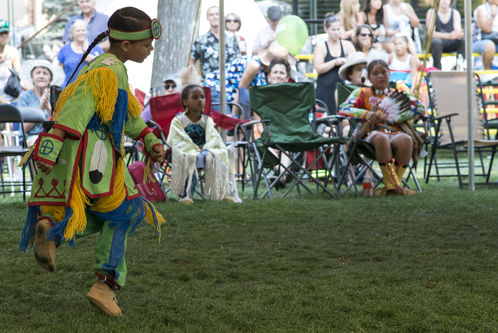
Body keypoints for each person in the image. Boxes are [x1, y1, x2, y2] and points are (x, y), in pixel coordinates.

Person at [19, 7, 166, 317]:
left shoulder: (109, 67)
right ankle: (105, 286)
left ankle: (52, 230)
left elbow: (124, 114)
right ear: (126, 44)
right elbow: (78, 104)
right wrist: (54, 141)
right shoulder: (107, 69)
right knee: (124, 215)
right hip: (97, 159)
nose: (150, 49)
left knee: (103, 218)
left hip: (97, 156)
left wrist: (148, 138)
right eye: (146, 43)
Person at [338, 59, 424, 196]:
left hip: (395, 131)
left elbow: (420, 107)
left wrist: (397, 117)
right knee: (381, 138)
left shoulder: (397, 93)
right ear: (369, 78)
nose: (380, 76)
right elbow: (343, 108)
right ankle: (396, 187)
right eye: (375, 73)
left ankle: (392, 187)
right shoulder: (362, 92)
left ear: (390, 74)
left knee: (406, 140)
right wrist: (366, 114)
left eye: (384, 72)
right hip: (369, 133)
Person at [166, 84, 241, 204]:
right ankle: (186, 194)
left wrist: (204, 148)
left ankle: (224, 192)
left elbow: (213, 139)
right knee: (192, 157)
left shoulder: (207, 120)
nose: (200, 100)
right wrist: (194, 149)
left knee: (218, 154)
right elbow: (176, 140)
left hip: (204, 151)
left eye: (202, 97)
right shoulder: (179, 121)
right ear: (185, 102)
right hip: (184, 152)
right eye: (195, 97)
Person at [204, 45, 294, 117]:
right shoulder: (254, 66)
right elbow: (241, 90)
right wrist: (234, 116)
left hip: (230, 95)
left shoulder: (265, 71)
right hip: (216, 89)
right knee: (227, 125)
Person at [314, 14, 355, 115]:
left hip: (342, 88)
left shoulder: (347, 45)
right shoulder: (321, 46)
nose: (336, 33)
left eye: (338, 29)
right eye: (333, 29)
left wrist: (347, 62)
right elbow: (319, 68)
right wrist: (335, 62)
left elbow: (356, 62)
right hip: (325, 90)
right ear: (326, 29)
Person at [189, 6, 240, 79]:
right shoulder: (200, 40)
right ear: (207, 17)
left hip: (230, 83)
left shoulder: (231, 37)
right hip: (209, 83)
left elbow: (238, 60)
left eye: (217, 14)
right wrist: (196, 80)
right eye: (211, 15)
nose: (214, 17)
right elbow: (191, 61)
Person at [17, 60, 55, 146]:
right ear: (32, 78)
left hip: (52, 136)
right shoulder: (25, 97)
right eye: (38, 73)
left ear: (50, 79)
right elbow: (24, 129)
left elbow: (59, 124)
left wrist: (48, 108)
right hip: (29, 137)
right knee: (40, 141)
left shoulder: (55, 97)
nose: (41, 76)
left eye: (45, 73)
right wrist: (40, 109)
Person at [58, 19, 104, 87]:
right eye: (78, 31)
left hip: (90, 90)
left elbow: (105, 67)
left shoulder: (95, 48)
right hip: (69, 90)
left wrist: (91, 58)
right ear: (72, 33)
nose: (81, 33)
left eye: (83, 30)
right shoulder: (64, 49)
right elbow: (59, 70)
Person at [426, 0, 465, 70]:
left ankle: (461, 68)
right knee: (437, 42)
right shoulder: (431, 12)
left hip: (450, 44)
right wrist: (449, 36)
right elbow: (430, 33)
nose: (444, 1)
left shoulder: (455, 13)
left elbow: (457, 31)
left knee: (463, 41)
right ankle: (437, 70)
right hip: (435, 46)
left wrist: (459, 34)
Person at [0, 19, 21, 103]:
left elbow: (18, 78)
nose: (4, 36)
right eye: (1, 33)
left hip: (12, 100)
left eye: (6, 33)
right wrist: (3, 101)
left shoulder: (12, 51)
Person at [473, 0, 498, 70]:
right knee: (490, 46)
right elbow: (487, 29)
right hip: (480, 42)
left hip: (496, 42)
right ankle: (486, 72)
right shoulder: (481, 9)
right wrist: (493, 15)